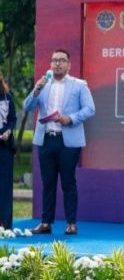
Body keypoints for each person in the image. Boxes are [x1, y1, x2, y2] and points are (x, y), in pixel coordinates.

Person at [23, 49, 96, 235]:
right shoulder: (43, 84)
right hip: (46, 139)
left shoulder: (79, 85)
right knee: (48, 183)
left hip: (68, 141)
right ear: (50, 64)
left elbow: (90, 109)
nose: (57, 64)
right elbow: (27, 106)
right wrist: (36, 89)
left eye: (62, 60)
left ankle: (71, 223)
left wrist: (70, 118)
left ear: (69, 65)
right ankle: (46, 223)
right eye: (54, 60)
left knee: (68, 182)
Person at [0, 72, 16, 229]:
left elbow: (12, 119)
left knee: (4, 185)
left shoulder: (6, 97)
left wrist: (8, 131)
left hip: (4, 147)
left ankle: (4, 221)